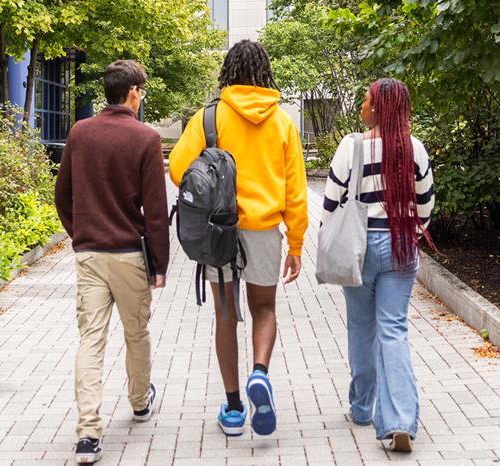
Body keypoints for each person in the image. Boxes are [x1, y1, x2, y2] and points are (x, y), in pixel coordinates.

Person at [169, 40, 308, 437]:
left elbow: (178, 170)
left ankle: (232, 409)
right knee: (264, 309)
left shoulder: (209, 117)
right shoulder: (282, 122)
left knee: (226, 315)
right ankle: (260, 374)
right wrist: (295, 244)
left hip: (221, 231)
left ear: (227, 72)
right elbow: (296, 190)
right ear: (264, 72)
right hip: (264, 230)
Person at [54, 60, 170, 464]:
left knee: (91, 340)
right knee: (136, 333)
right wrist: (160, 265)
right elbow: (155, 212)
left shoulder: (79, 133)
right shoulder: (145, 139)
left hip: (90, 255)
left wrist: (79, 234)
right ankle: (139, 402)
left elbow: (62, 196)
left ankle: (88, 433)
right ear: (134, 91)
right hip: (128, 255)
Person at [322, 78, 434, 452]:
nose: (361, 107)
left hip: (360, 247)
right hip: (401, 246)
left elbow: (331, 201)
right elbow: (427, 205)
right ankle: (401, 419)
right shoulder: (415, 149)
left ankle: (362, 407)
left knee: (361, 327)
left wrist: (330, 238)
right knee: (394, 330)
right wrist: (409, 237)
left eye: (366, 101)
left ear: (379, 108)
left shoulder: (351, 146)